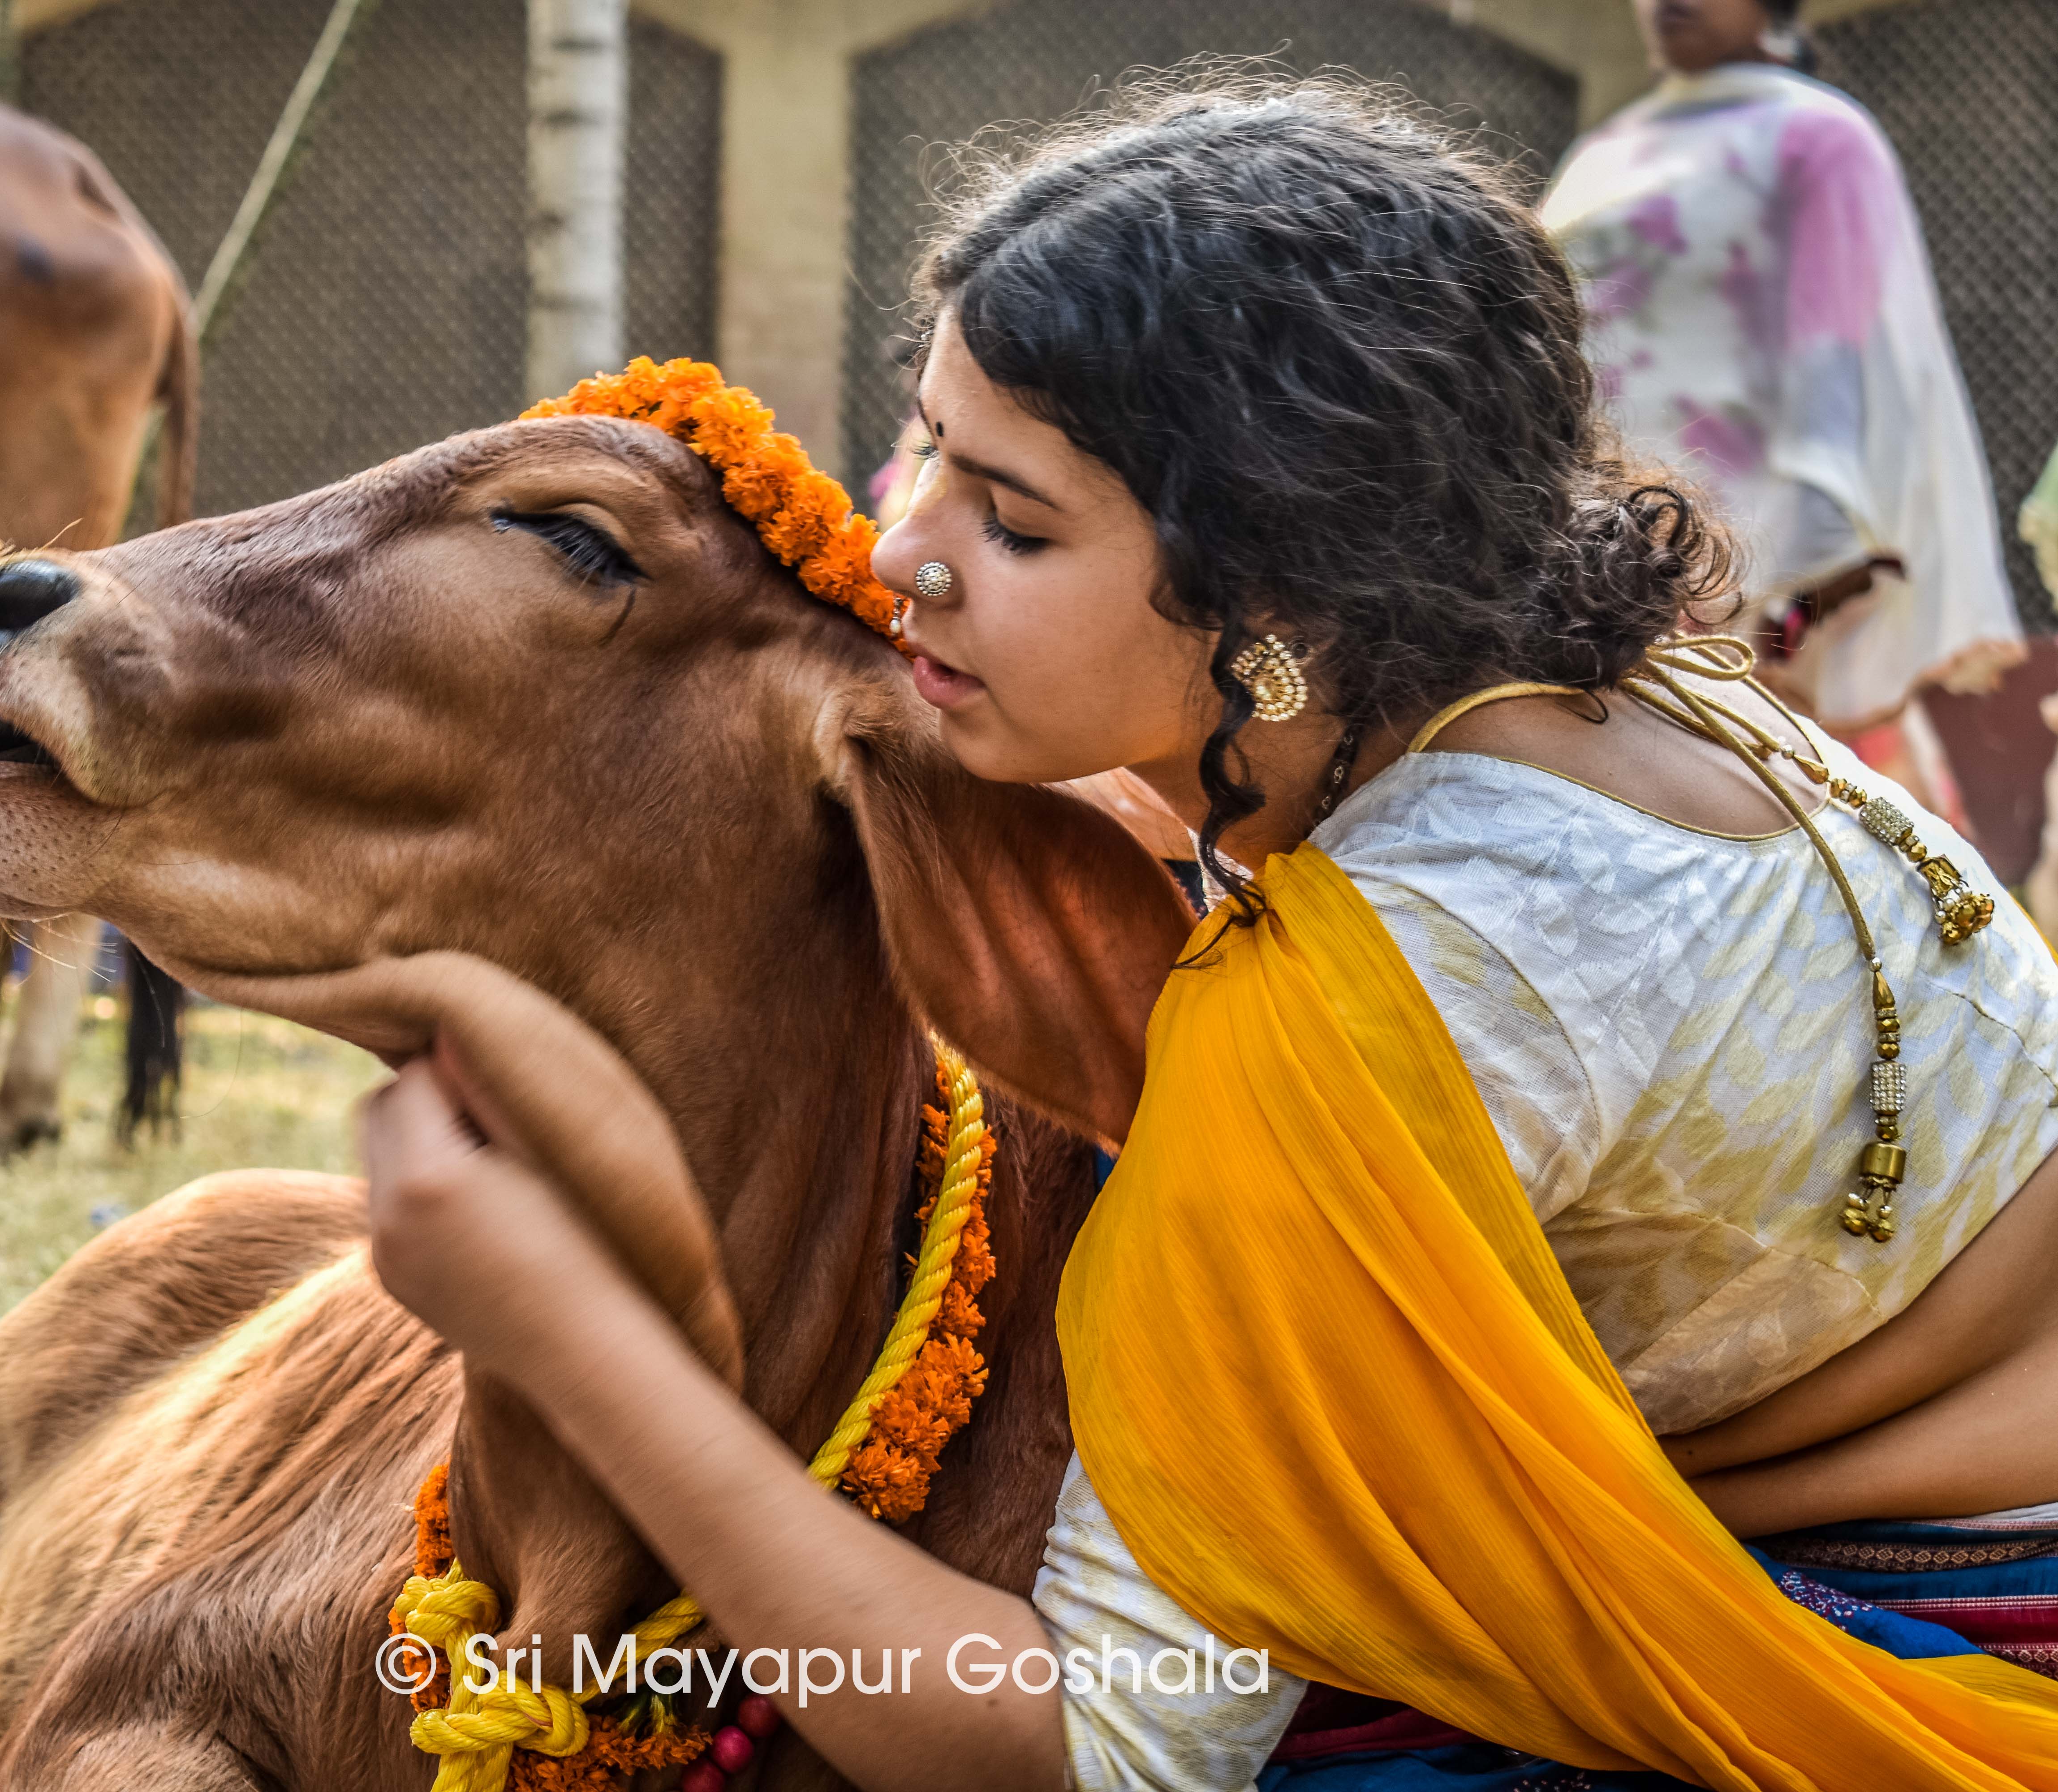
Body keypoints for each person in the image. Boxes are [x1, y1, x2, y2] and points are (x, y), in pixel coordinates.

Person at [358, 78, 2058, 1791]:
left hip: (1915, 1631)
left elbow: (1077, 1751)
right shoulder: (1598, 680)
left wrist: (568, 1335)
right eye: (926, 443)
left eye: (1014, 523)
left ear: (1282, 615)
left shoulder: (1374, 990)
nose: (900, 550)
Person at [1540, 0, 2022, 757]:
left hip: (1762, 574)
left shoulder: (1821, 139)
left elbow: (1839, 372)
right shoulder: (1604, 153)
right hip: (1600, 565)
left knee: (1771, 807)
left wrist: (1796, 596)